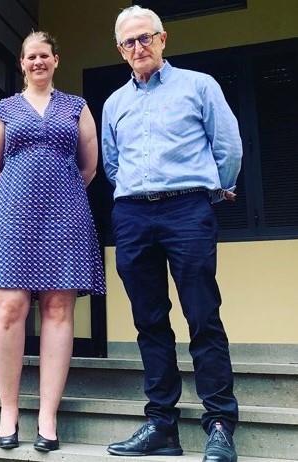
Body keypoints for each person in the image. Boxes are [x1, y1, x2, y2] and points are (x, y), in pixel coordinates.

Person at [101, 6, 242, 462]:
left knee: (202, 315)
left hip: (187, 209)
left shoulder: (199, 85)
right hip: (132, 215)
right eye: (129, 42)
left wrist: (212, 192)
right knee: (149, 321)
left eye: (145, 38)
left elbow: (228, 147)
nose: (138, 47)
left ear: (163, 39)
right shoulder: (114, 103)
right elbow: (112, 163)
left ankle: (219, 423)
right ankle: (162, 424)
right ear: (120, 50)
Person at [0, 31, 106, 452]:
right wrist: (21, 192)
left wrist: (57, 191)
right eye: (30, 56)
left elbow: (89, 167)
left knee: (57, 310)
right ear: (22, 63)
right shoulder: (5, 109)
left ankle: (48, 415)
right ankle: (9, 411)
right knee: (9, 310)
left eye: (44, 55)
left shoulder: (76, 107)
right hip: (12, 216)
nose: (38, 62)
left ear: (56, 60)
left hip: (64, 214)